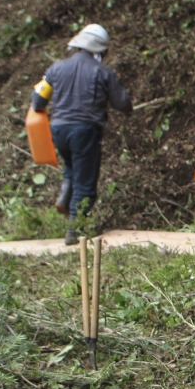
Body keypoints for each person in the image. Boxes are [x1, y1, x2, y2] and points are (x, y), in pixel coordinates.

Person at [31, 24, 133, 245]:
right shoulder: (103, 72)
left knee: (73, 165)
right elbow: (122, 102)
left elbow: (38, 100)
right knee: (86, 184)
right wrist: (128, 110)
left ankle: (66, 191)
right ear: (100, 50)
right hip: (85, 130)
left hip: (58, 130)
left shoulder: (55, 69)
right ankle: (74, 231)